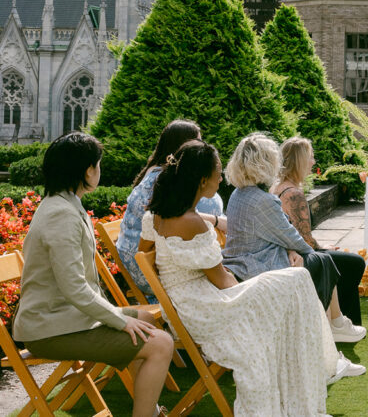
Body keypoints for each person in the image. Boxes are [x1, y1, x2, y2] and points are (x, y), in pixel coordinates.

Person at [139, 139, 345, 417]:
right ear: (202, 181)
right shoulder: (192, 222)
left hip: (186, 304)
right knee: (294, 283)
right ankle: (311, 379)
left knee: (294, 281)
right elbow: (222, 280)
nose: (222, 177)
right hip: (205, 308)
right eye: (217, 172)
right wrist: (250, 296)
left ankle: (314, 371)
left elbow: (143, 256)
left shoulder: (154, 216)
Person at [13, 133, 173, 417]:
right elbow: (75, 289)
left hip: (64, 319)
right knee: (161, 343)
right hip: (50, 329)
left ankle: (146, 408)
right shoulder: (60, 214)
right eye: (98, 164)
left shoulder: (64, 204)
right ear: (87, 170)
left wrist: (120, 318)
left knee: (147, 319)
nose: (99, 170)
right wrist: (119, 320)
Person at [220, 133, 367, 361]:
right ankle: (330, 337)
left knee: (320, 261)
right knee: (321, 262)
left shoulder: (239, 194)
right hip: (255, 268)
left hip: (244, 263)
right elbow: (294, 238)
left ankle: (334, 330)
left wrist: (293, 249)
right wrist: (299, 250)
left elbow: (281, 234)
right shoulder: (263, 200)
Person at [117, 120, 226, 299]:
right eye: (197, 144)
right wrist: (216, 220)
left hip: (138, 266)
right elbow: (221, 279)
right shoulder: (180, 188)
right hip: (156, 279)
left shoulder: (155, 175)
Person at [272, 136, 367, 342]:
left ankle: (341, 322)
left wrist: (322, 246)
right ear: (299, 161)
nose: (314, 162)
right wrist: (322, 247)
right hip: (298, 256)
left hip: (289, 252)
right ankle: (341, 324)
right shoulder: (293, 194)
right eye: (311, 157)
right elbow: (304, 241)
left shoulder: (278, 188)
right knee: (354, 263)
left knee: (342, 258)